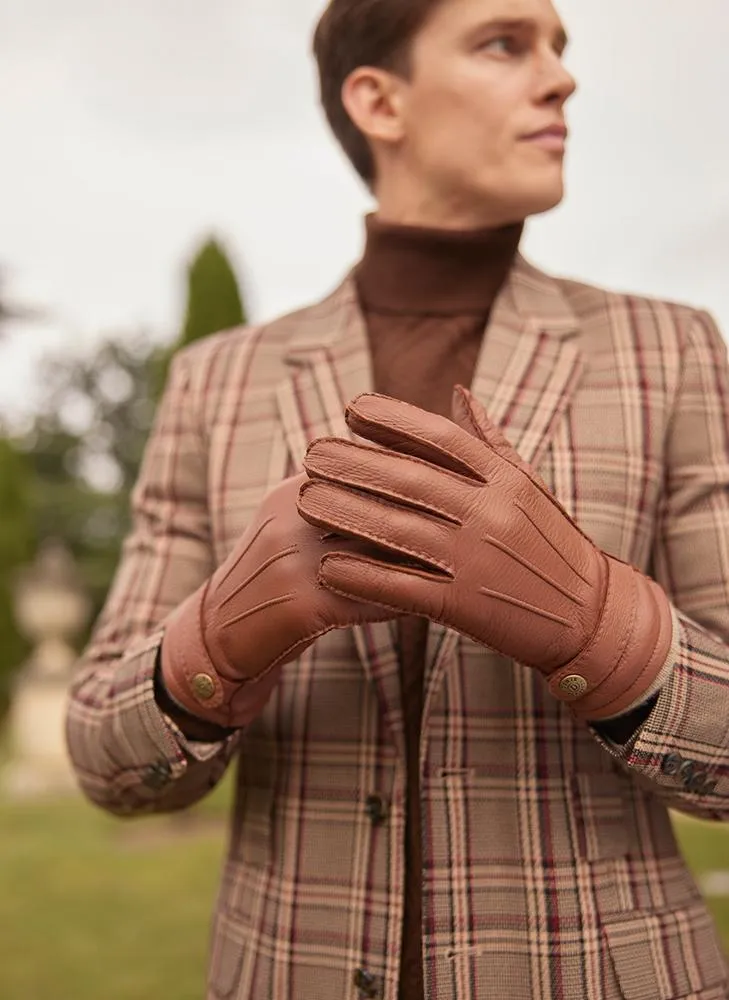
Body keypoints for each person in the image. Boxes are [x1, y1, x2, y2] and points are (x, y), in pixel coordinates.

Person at [65, 0, 729, 997]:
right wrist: (216, 640)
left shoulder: (670, 352)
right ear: (379, 99)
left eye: (560, 47)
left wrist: (604, 624)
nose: (561, 77)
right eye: (507, 42)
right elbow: (101, 758)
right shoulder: (216, 380)